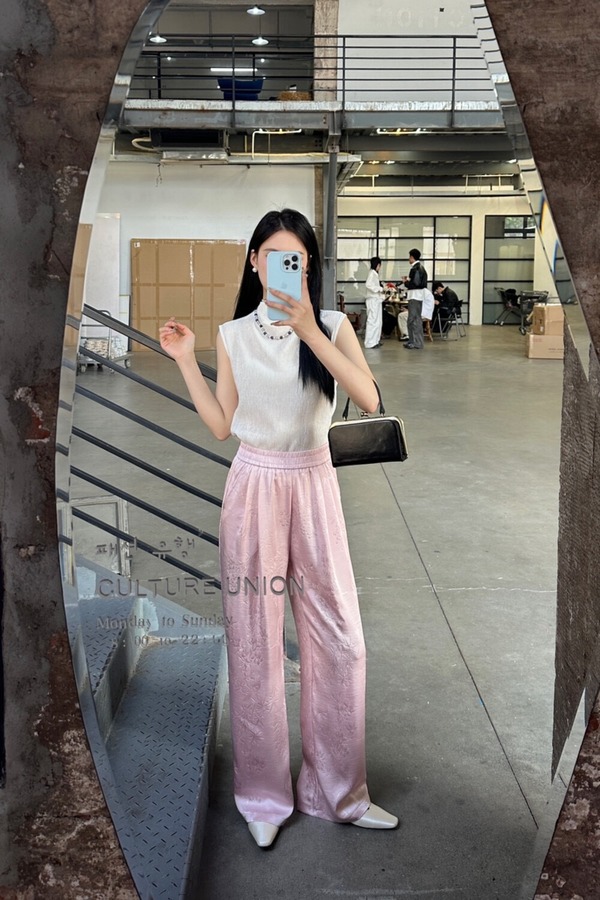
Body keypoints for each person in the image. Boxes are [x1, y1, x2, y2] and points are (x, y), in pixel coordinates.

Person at [159, 209, 398, 849]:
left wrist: (310, 331)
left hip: (315, 483)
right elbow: (221, 425)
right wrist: (185, 361)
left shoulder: (334, 326)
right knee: (254, 641)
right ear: (254, 262)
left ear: (309, 267)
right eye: (274, 256)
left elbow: (369, 398)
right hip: (254, 486)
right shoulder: (232, 335)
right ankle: (262, 796)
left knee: (342, 639)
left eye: (298, 259)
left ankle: (339, 794)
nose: (285, 267)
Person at [402, 249, 428, 350]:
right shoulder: (420, 268)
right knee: (414, 319)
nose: (409, 259)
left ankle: (416, 342)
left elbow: (415, 284)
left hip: (414, 297)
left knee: (414, 320)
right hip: (418, 297)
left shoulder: (415, 268)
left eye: (409, 257)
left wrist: (406, 282)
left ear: (412, 257)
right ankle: (413, 341)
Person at [363, 256, 385, 349]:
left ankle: (375, 340)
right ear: (378, 265)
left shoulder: (374, 274)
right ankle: (370, 342)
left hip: (376, 300)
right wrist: (379, 289)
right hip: (372, 300)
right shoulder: (372, 273)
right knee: (372, 321)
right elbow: (368, 285)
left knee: (377, 322)